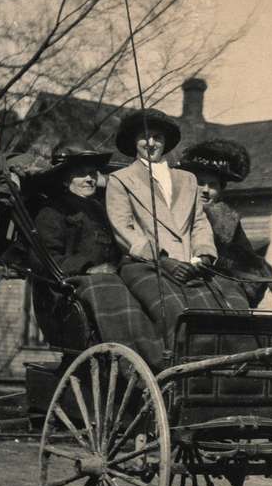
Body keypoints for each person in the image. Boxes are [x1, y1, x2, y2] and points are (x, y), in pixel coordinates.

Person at [104, 109, 250, 345]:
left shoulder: (187, 179)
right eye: (145, 137)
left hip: (191, 265)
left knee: (234, 301)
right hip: (145, 265)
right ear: (134, 141)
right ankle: (179, 368)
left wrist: (203, 255)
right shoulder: (120, 180)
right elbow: (124, 229)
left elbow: (199, 223)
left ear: (166, 142)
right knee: (175, 310)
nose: (151, 143)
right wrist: (163, 260)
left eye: (158, 137)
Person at [30, 141, 164, 363]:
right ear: (65, 178)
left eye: (92, 173)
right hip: (65, 295)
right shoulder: (51, 213)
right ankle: (133, 361)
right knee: (109, 288)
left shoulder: (101, 211)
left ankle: (157, 351)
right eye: (81, 174)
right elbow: (44, 261)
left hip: (109, 280)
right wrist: (88, 268)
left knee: (148, 283)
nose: (90, 178)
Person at [176, 138, 272, 308]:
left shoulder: (228, 222)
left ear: (221, 190)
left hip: (215, 281)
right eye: (200, 183)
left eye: (212, 185)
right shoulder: (174, 209)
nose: (206, 190)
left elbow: (246, 261)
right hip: (176, 275)